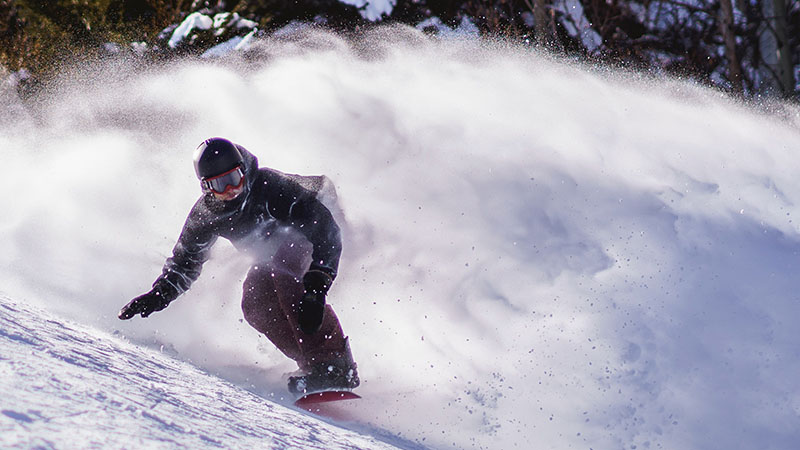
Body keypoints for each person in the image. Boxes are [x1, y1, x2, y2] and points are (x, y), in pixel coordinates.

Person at [118, 137, 359, 395]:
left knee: (285, 271)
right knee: (255, 303)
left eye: (234, 178)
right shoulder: (207, 216)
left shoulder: (271, 188)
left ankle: (334, 365)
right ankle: (314, 365)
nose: (231, 189)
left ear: (243, 170)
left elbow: (325, 230)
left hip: (318, 224)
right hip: (275, 249)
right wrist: (159, 294)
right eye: (219, 185)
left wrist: (317, 286)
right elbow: (186, 261)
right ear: (206, 188)